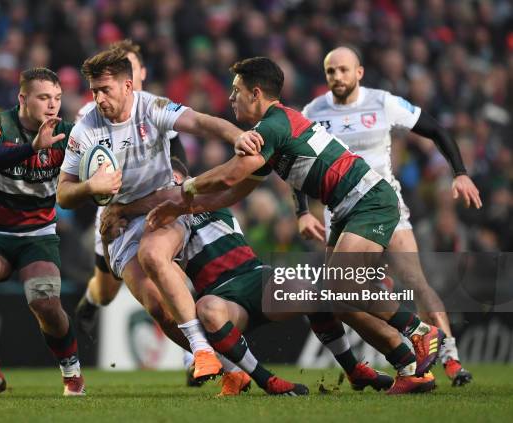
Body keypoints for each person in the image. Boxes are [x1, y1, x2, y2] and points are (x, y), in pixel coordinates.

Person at [145, 56, 449, 392]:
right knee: (339, 297)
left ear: (256, 93)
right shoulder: (275, 131)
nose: (231, 99)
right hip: (350, 206)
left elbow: (231, 174)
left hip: (368, 201)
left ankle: (421, 332)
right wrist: (180, 206)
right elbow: (231, 194)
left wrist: (187, 187)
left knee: (341, 286)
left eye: (236, 91)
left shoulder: (271, 127)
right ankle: (409, 369)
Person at [105, 158, 433, 395]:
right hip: (222, 295)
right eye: (163, 184)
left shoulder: (201, 198)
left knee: (323, 291)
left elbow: (203, 190)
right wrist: (118, 217)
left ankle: (362, 367)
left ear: (186, 178)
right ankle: (266, 380)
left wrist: (124, 209)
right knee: (206, 310)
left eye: (173, 180)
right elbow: (151, 257)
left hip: (257, 277)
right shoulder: (160, 227)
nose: (168, 189)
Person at [56, 46, 262, 382]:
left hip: (162, 209)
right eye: (94, 91)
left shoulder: (151, 107)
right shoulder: (86, 129)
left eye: (105, 90)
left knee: (155, 256)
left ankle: (203, 352)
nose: (99, 99)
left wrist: (239, 135)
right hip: (119, 224)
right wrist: (90, 187)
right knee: (158, 308)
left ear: (127, 86)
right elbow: (63, 193)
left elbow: (198, 121)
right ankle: (229, 368)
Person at [299, 46, 480, 386]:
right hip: (338, 213)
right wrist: (301, 211)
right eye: (330, 71)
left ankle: (451, 360)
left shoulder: (382, 102)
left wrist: (460, 172)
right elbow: (296, 159)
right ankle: (404, 359)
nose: (337, 77)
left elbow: (437, 129)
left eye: (343, 70)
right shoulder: (314, 111)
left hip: (384, 206)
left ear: (359, 72)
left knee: (414, 279)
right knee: (341, 299)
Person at [0, 68, 102, 397]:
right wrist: (32, 148)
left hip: (37, 235)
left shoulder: (68, 134)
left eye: (58, 98)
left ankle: (72, 374)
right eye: (44, 97)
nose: (52, 105)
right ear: (22, 98)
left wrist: (102, 178)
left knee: (45, 302)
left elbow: (96, 164)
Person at [71, 39, 197, 385]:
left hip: (155, 201)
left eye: (128, 66)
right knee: (108, 289)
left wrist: (178, 176)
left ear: (137, 74)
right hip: (114, 212)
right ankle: (93, 298)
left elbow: (178, 151)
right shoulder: (91, 116)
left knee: (174, 270)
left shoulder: (156, 107)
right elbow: (82, 166)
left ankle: (194, 356)